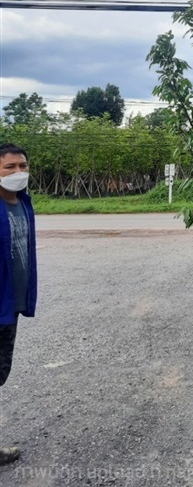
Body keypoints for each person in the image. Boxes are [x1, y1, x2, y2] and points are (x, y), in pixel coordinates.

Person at [0, 143, 37, 466]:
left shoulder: (23, 205)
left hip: (9, 307)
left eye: (22, 166)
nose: (18, 173)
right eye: (9, 167)